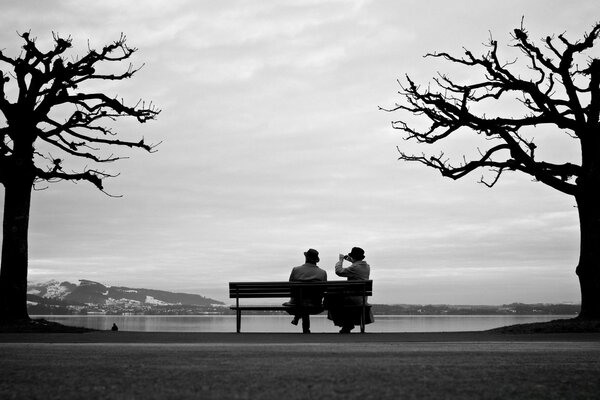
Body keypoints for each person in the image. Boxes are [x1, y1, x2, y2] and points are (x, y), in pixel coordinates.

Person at [327, 247, 374, 333]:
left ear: (354, 257)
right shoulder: (367, 267)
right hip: (362, 298)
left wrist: (340, 260)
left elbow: (339, 271)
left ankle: (346, 324)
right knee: (335, 299)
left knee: (330, 300)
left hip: (353, 298)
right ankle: (347, 325)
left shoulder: (354, 268)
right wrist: (351, 260)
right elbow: (357, 264)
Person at [282, 248, 327, 333]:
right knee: (306, 303)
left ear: (306, 258)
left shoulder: (296, 270)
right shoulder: (322, 273)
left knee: (302, 301)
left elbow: (290, 286)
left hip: (296, 304)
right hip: (315, 305)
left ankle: (297, 318)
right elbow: (323, 289)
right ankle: (304, 327)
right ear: (316, 260)